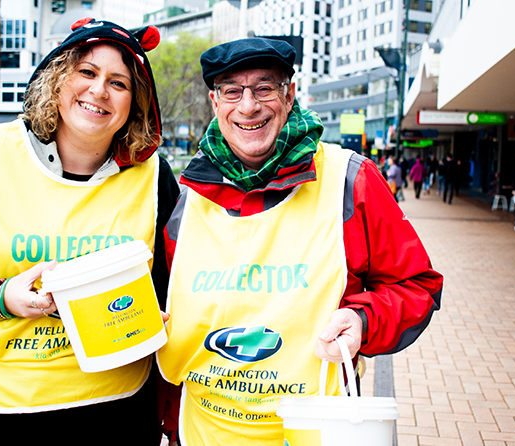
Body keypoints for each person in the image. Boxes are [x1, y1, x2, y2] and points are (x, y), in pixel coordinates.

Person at [0, 19, 179, 445]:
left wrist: (162, 314)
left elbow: (175, 280)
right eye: (87, 72)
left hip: (113, 406)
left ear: (136, 102)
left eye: (119, 83)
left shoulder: (153, 177)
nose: (99, 91)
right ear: (57, 80)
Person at [155, 38, 443, 445]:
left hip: (317, 431)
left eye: (264, 88)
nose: (248, 106)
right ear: (214, 102)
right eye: (232, 91)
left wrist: (363, 321)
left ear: (289, 95)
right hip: (203, 431)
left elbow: (417, 286)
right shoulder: (186, 196)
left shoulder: (350, 180)